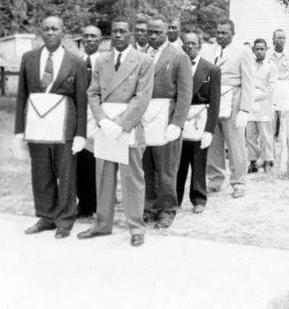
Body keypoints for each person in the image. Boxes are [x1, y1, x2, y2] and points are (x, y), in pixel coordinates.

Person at [80, 18, 153, 247]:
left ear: (131, 34)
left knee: (132, 177)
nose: (118, 36)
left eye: (123, 31)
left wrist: (120, 124)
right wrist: (102, 120)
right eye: (114, 32)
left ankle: (136, 227)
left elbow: (142, 97)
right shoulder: (102, 60)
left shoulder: (143, 61)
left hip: (127, 127)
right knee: (103, 176)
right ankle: (103, 224)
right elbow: (92, 93)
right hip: (105, 126)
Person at [14, 16, 88, 239]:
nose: (50, 33)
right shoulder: (28, 58)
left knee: (65, 173)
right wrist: (19, 131)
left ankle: (65, 219)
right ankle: (46, 216)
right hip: (37, 123)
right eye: (45, 29)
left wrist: (81, 134)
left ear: (63, 32)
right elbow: (21, 96)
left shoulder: (75, 61)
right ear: (40, 32)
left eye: (55, 29)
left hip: (64, 124)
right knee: (41, 171)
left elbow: (81, 100)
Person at [142, 17, 192, 229]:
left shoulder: (179, 56)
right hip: (144, 117)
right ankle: (150, 207)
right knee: (147, 165)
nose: (153, 36)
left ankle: (167, 210)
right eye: (150, 32)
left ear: (167, 33)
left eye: (158, 32)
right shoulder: (142, 55)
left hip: (166, 118)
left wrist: (177, 122)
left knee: (166, 168)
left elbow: (185, 93)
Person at [207, 19, 254, 198]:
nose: (220, 36)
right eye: (218, 32)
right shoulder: (209, 50)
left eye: (224, 33)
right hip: (212, 100)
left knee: (236, 144)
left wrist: (244, 109)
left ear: (233, 34)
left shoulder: (243, 52)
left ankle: (239, 182)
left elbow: (249, 82)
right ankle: (215, 179)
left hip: (233, 100)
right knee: (213, 142)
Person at [176, 30, 221, 214]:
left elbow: (215, 102)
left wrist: (209, 130)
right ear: (183, 46)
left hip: (199, 119)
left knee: (198, 161)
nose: (190, 47)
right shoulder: (177, 66)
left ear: (200, 45)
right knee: (178, 162)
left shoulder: (211, 69)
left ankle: (199, 199)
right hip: (180, 118)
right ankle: (175, 198)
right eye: (187, 44)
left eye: (194, 44)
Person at [76, 25, 101, 219]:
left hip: (99, 115)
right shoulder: (76, 61)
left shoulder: (105, 61)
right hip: (79, 116)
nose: (90, 40)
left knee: (96, 161)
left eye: (94, 36)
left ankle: (97, 203)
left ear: (100, 40)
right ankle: (83, 204)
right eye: (86, 36)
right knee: (79, 160)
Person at [246, 38, 276, 173]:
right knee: (250, 135)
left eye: (262, 49)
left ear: (266, 50)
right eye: (257, 49)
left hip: (264, 104)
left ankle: (268, 161)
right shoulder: (248, 65)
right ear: (253, 50)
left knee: (266, 135)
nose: (259, 51)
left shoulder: (271, 66)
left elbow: (270, 87)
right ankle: (253, 161)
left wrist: (256, 96)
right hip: (250, 105)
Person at [268, 29, 289, 138]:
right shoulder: (268, 54)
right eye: (278, 38)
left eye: (283, 38)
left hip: (285, 85)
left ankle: (284, 144)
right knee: (271, 116)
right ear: (273, 40)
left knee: (285, 116)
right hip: (272, 86)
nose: (281, 40)